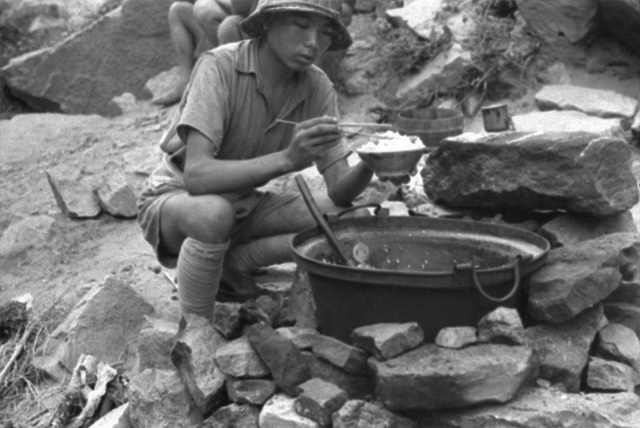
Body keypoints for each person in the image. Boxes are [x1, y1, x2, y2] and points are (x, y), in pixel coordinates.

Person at [137, 0, 395, 322]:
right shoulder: (219, 66)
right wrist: (287, 159)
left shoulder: (317, 87)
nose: (313, 42)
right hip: (179, 198)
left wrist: (374, 161)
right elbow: (197, 176)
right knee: (214, 214)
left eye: (325, 33)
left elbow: (339, 191)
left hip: (245, 203)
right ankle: (195, 329)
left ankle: (234, 263)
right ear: (269, 21)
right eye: (301, 25)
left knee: (347, 218)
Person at [152, 0, 235, 106]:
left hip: (238, 21)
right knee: (178, 10)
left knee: (205, 10)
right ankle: (185, 82)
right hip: (218, 13)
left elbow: (241, 7)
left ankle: (217, 74)